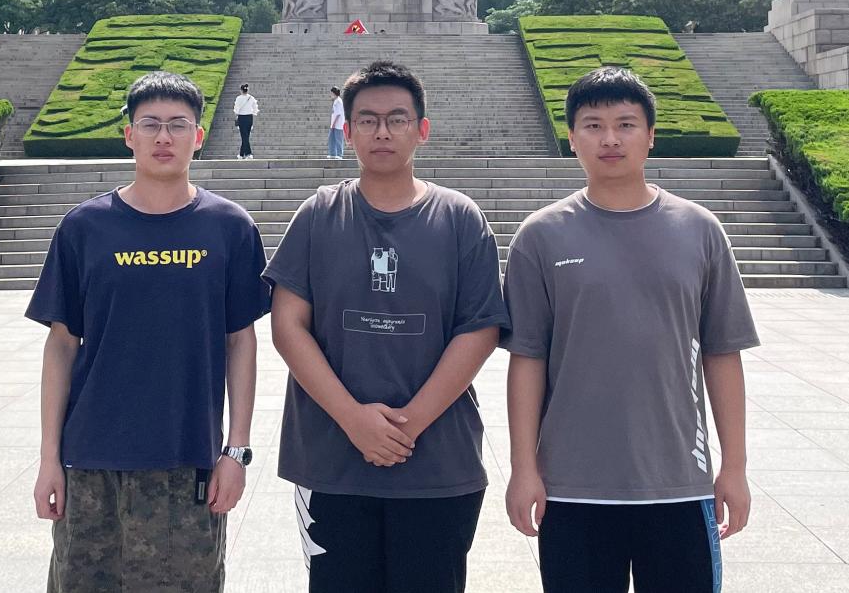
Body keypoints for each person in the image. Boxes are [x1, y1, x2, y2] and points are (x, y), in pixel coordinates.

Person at [503, 66, 759, 593]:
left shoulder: (699, 230)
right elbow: (527, 360)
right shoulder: (540, 236)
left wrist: (733, 467)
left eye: (625, 124)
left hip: (678, 483)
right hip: (571, 486)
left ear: (651, 135)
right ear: (571, 137)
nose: (610, 139)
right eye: (593, 125)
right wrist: (523, 468)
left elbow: (722, 354)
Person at [266, 60, 508, 593]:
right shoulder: (318, 214)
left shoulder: (460, 218)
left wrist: (407, 426)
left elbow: (480, 330)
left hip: (437, 464)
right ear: (347, 130)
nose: (382, 132)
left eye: (397, 119)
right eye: (368, 120)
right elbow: (288, 326)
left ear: (422, 129)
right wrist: (353, 419)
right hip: (333, 461)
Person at [27, 70, 272, 593]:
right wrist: (49, 458)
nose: (164, 137)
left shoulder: (230, 227)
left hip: (188, 459)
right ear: (129, 135)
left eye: (178, 125)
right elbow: (62, 345)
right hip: (91, 460)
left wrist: (236, 451)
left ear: (198, 136)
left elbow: (241, 341)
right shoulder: (83, 228)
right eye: (151, 124)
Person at [234, 83, 260, 159]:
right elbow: (255, 107)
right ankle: (241, 154)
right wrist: (253, 112)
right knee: (246, 136)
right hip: (249, 117)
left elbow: (236, 109)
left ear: (241, 90)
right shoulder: (251, 98)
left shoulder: (239, 98)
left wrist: (237, 113)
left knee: (244, 136)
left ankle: (248, 153)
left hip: (242, 117)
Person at [327, 86, 347, 159]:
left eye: (331, 93)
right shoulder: (336, 101)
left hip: (338, 125)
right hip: (334, 124)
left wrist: (334, 124)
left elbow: (338, 114)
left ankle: (339, 154)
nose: (330, 95)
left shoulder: (338, 101)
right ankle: (332, 154)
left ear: (334, 93)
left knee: (338, 139)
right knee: (331, 139)